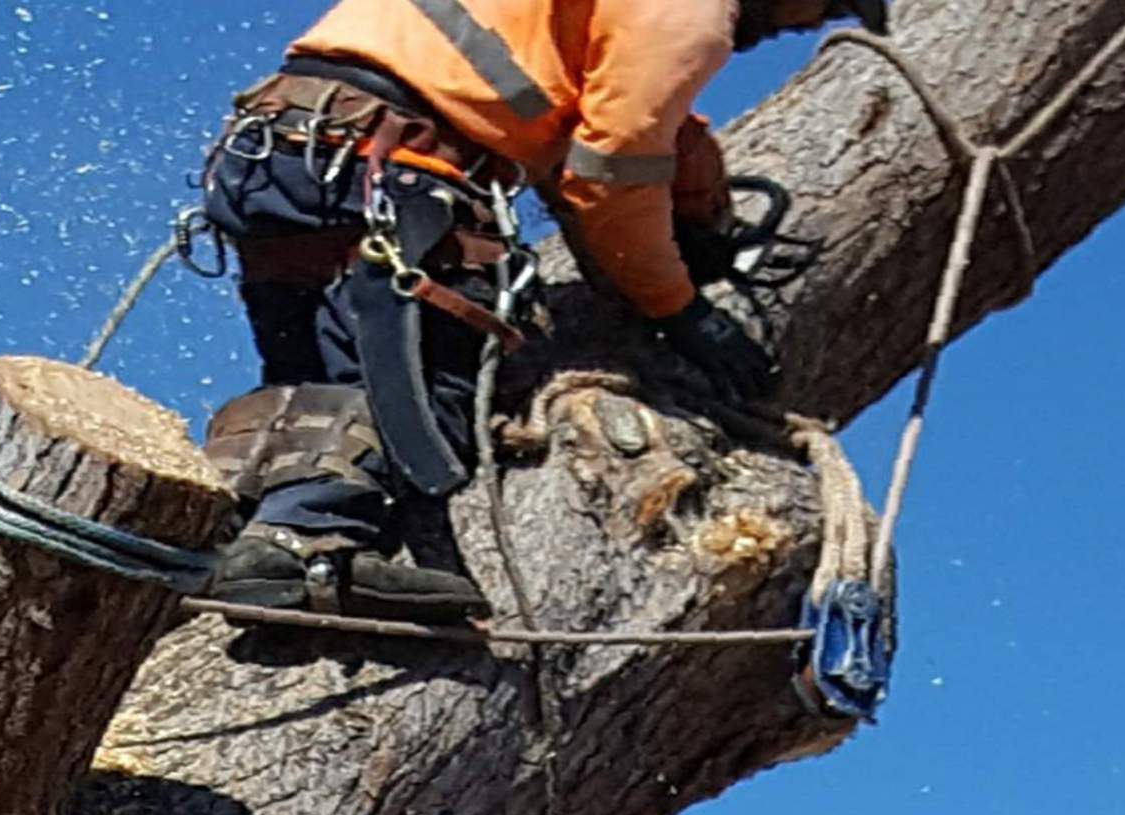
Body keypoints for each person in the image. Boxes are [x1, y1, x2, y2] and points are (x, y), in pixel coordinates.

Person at [191, 0, 889, 623]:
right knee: (427, 388)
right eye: (827, 4)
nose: (811, 23)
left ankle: (234, 529)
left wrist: (697, 206)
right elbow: (607, 174)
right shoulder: (695, 11)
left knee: (311, 374)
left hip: (283, 144)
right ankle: (306, 544)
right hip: (388, 164)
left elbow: (614, 117)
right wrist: (679, 307)